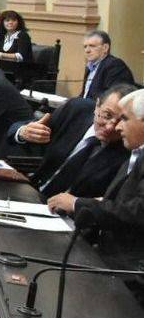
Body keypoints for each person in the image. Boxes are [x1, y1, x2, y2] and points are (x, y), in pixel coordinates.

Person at [47, 89, 144, 270]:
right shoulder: (135, 152)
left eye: (124, 119)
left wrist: (77, 203)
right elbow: (123, 202)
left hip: (128, 267)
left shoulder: (128, 152)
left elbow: (138, 212)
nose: (117, 127)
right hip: (106, 251)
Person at [8, 84, 135, 198]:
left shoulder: (129, 149)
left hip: (71, 211)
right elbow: (14, 130)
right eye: (107, 115)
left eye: (121, 120)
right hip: (32, 189)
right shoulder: (76, 110)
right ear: (97, 106)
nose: (110, 127)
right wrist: (23, 132)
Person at [80, 30, 135, 100]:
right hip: (87, 104)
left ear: (105, 48)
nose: (87, 50)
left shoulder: (114, 65)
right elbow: (84, 95)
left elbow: (111, 97)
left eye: (92, 46)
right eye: (85, 47)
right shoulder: (89, 68)